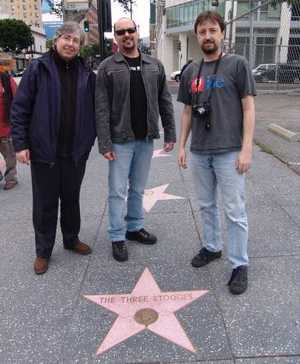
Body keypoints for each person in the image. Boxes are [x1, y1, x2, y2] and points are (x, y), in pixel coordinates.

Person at [177, 11, 256, 295]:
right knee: (206, 205)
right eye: (202, 32)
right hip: (200, 151)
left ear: (222, 33)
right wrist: (182, 146)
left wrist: (247, 148)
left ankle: (239, 264)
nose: (207, 36)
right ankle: (212, 247)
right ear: (197, 36)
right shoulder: (190, 71)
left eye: (212, 30)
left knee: (234, 210)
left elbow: (248, 107)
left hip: (229, 151)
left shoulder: (237, 65)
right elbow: (187, 111)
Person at [11, 22, 96, 275]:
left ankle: (71, 239)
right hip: (44, 151)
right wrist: (21, 144)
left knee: (71, 200)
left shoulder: (86, 72)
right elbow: (20, 108)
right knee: (45, 203)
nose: (70, 44)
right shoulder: (38, 68)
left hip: (74, 152)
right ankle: (43, 251)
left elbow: (93, 110)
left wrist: (89, 140)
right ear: (56, 40)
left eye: (76, 41)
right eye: (66, 38)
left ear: (80, 46)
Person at [95, 18, 176, 262]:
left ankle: (134, 228)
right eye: (121, 32)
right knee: (118, 191)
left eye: (130, 30)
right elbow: (101, 108)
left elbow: (164, 100)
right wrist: (105, 143)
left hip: (145, 139)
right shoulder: (107, 67)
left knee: (138, 189)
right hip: (120, 140)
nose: (127, 35)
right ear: (115, 37)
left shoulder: (154, 65)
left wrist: (170, 132)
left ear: (136, 32)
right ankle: (117, 236)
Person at [0, 54, 18, 190]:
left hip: (5, 126)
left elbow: (17, 100)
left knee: (9, 155)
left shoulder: (7, 79)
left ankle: (11, 177)